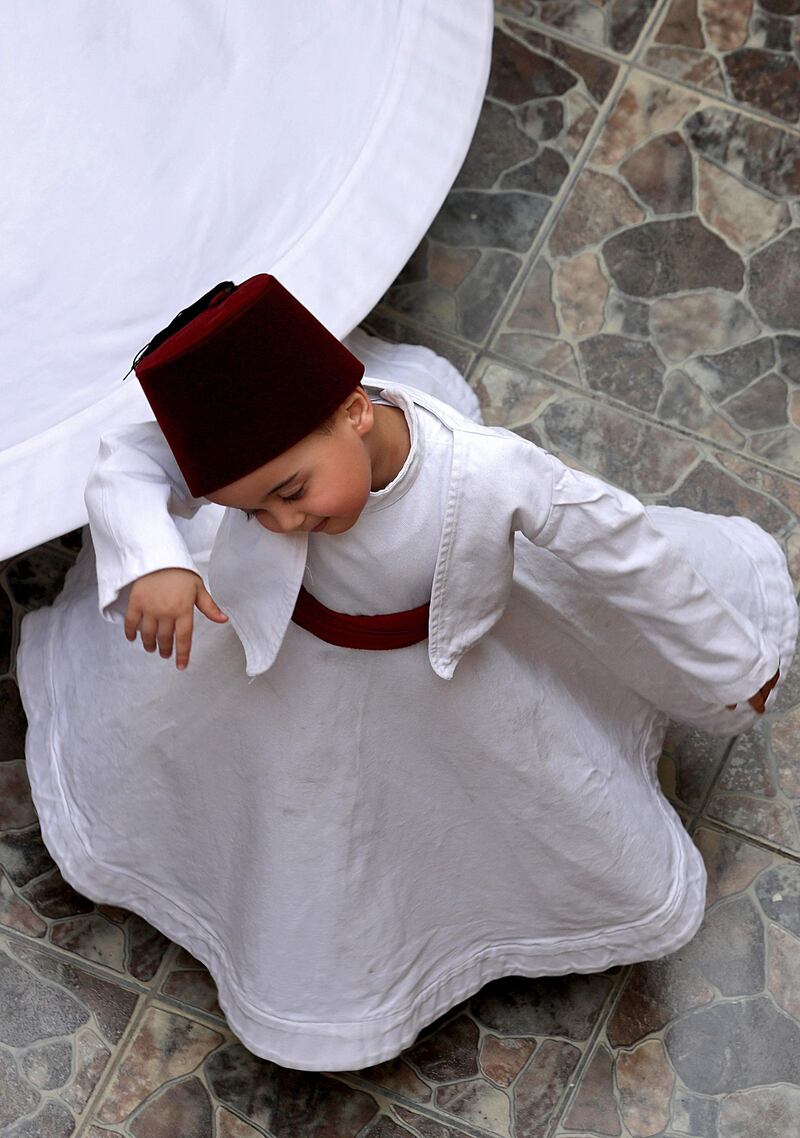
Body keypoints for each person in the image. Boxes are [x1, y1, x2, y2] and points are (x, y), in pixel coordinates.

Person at [18, 274, 797, 1073]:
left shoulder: (489, 477)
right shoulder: (263, 458)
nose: (284, 523)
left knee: (487, 801)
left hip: (455, 672)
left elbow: (626, 556)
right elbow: (130, 461)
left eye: (289, 493)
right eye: (254, 513)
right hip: (292, 662)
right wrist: (154, 559)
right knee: (322, 827)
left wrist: (726, 665)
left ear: (356, 413)